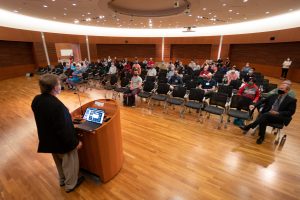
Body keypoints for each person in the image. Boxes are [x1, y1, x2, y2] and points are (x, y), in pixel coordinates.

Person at [31, 74, 84, 192]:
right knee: (69, 163)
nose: (60, 86)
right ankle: (71, 185)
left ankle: (62, 179)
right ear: (54, 88)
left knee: (58, 161)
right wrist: (75, 143)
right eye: (59, 84)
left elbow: (46, 116)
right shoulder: (57, 107)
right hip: (62, 142)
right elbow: (63, 129)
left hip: (48, 139)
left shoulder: (36, 100)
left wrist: (64, 113)